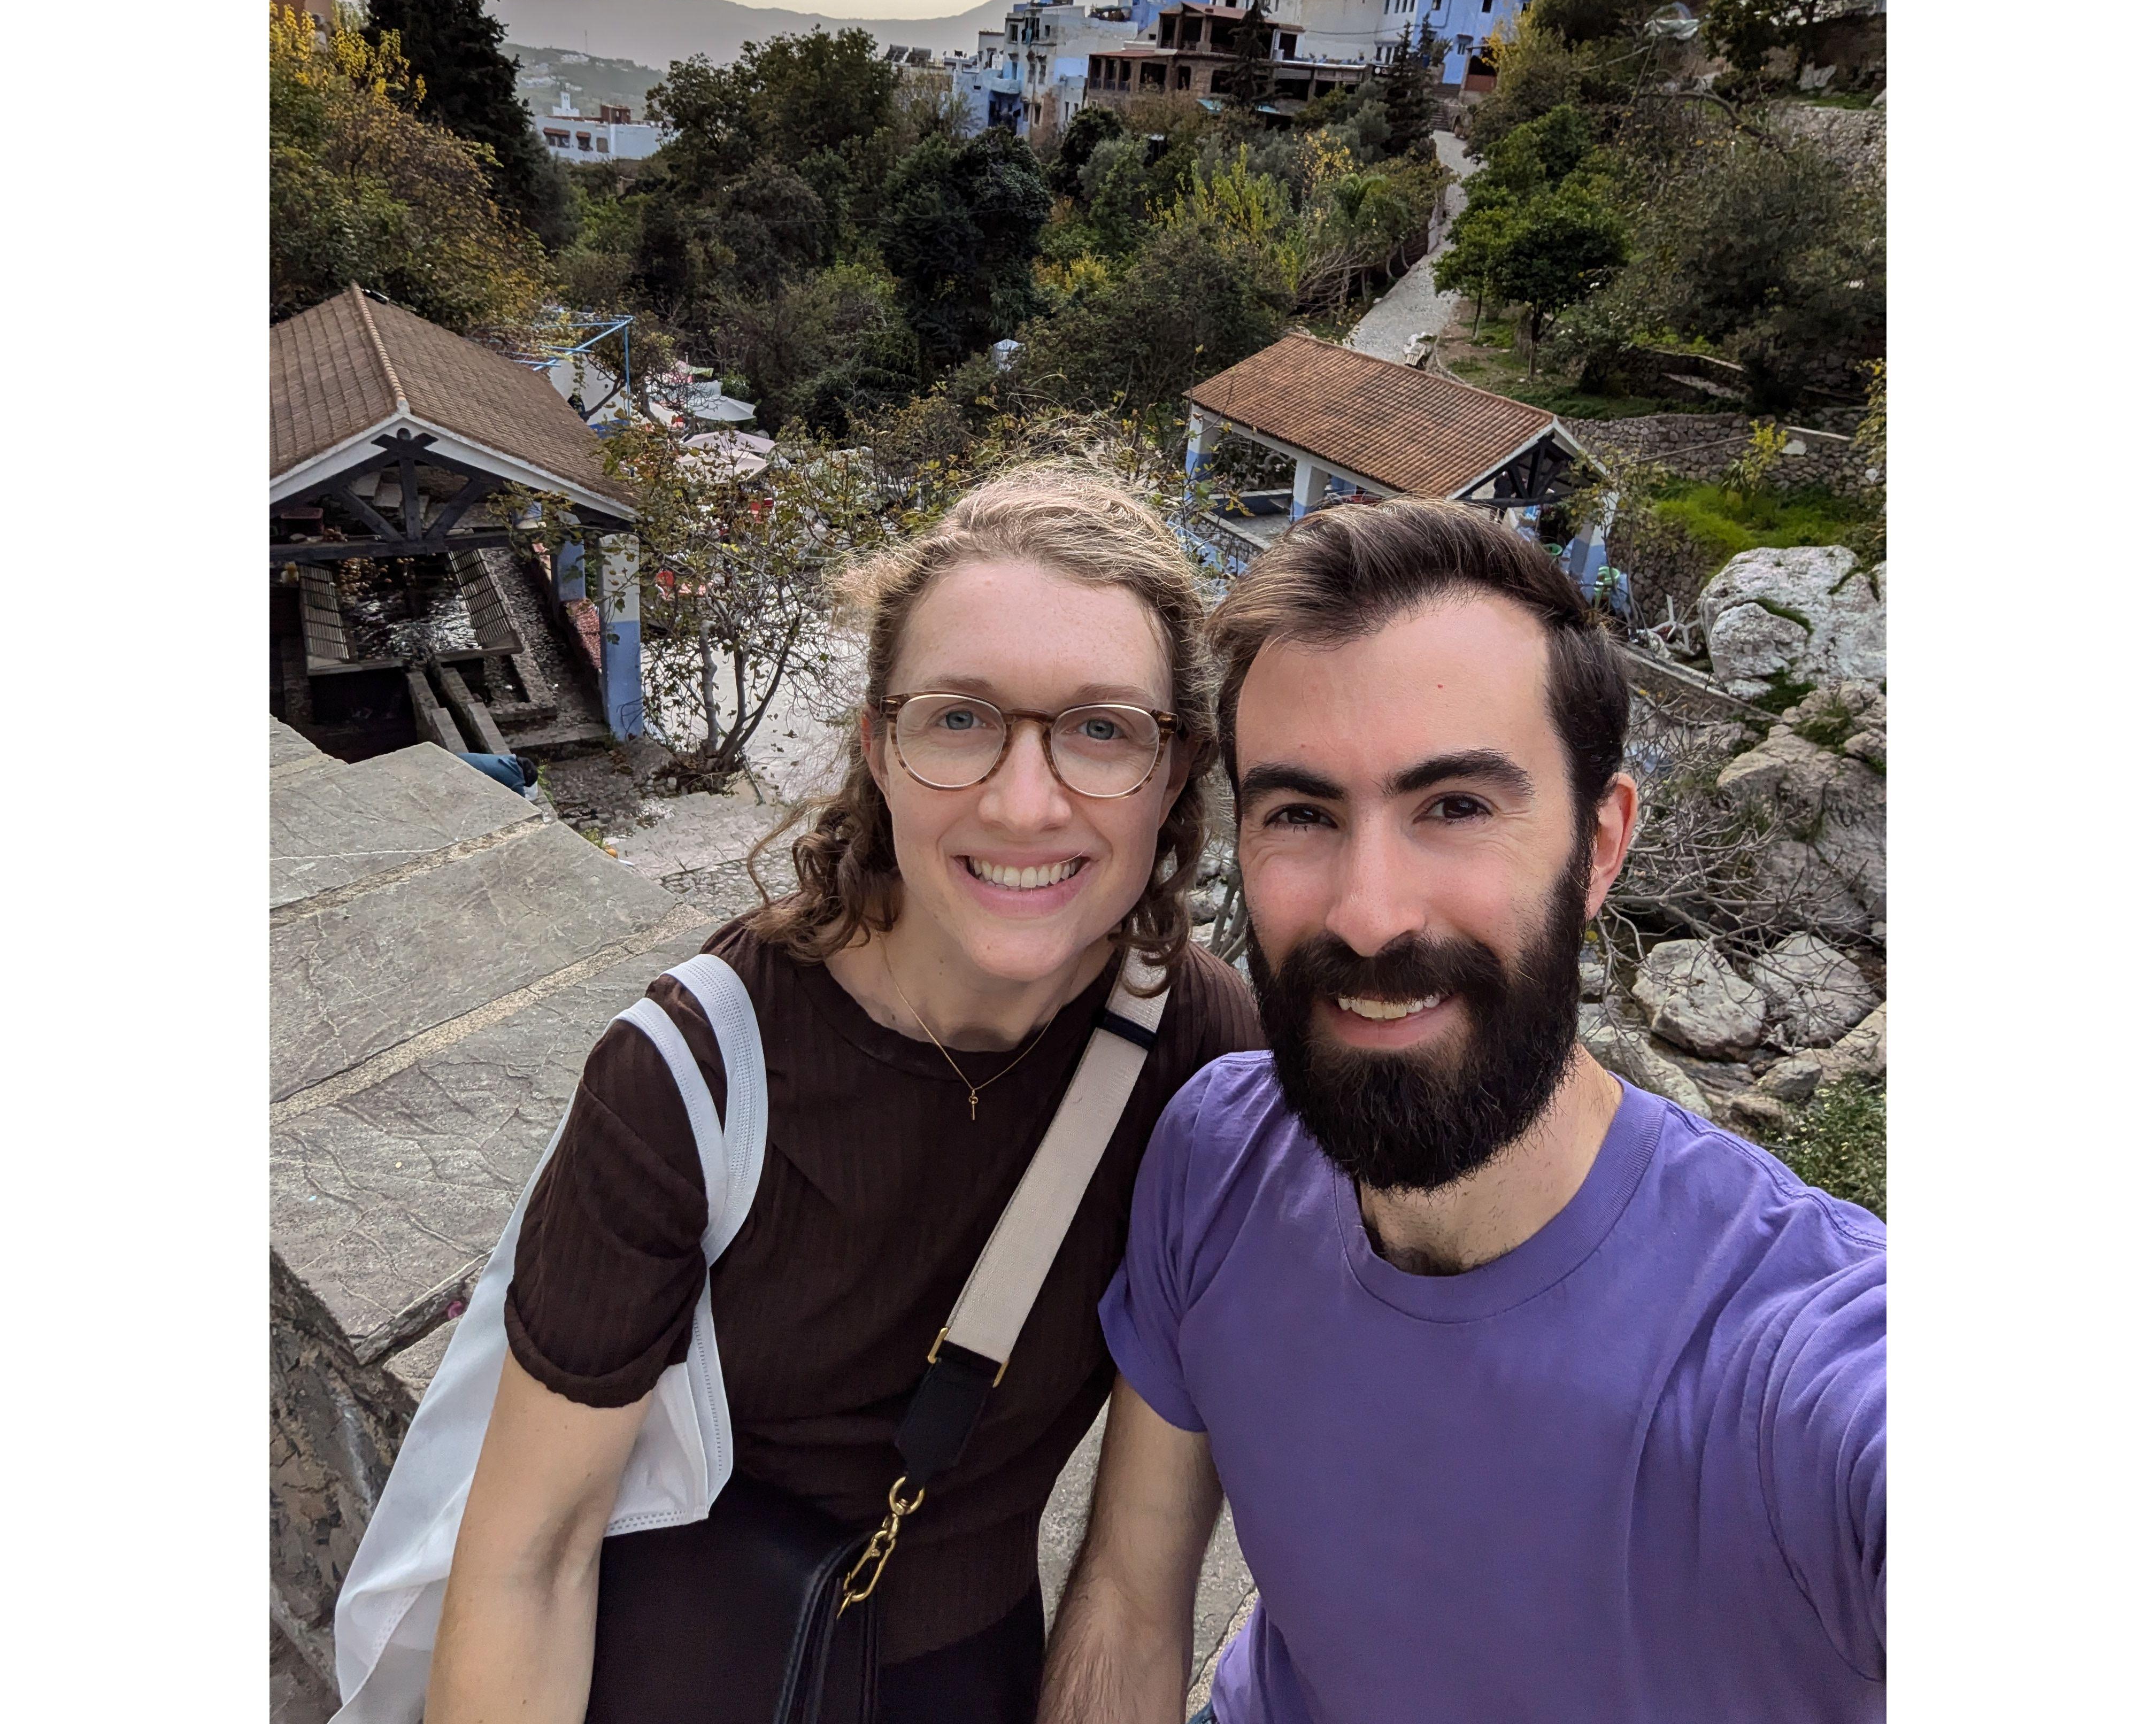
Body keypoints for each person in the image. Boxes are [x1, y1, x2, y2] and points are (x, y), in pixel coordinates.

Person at [424, 467, 1260, 1724]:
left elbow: (1140, 1578)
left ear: (1175, 770)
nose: (1024, 801)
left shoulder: (1200, 1057)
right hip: (686, 1672)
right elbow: (530, 1558)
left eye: (1101, 729)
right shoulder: (696, 1072)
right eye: (959, 719)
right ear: (877, 745)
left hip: (968, 1675)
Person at [1039, 498, 1885, 1724]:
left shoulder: (1796, 1352)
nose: (1370, 914)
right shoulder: (1218, 1149)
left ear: (1600, 845)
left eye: (1456, 807)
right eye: (1302, 815)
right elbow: (1126, 1595)